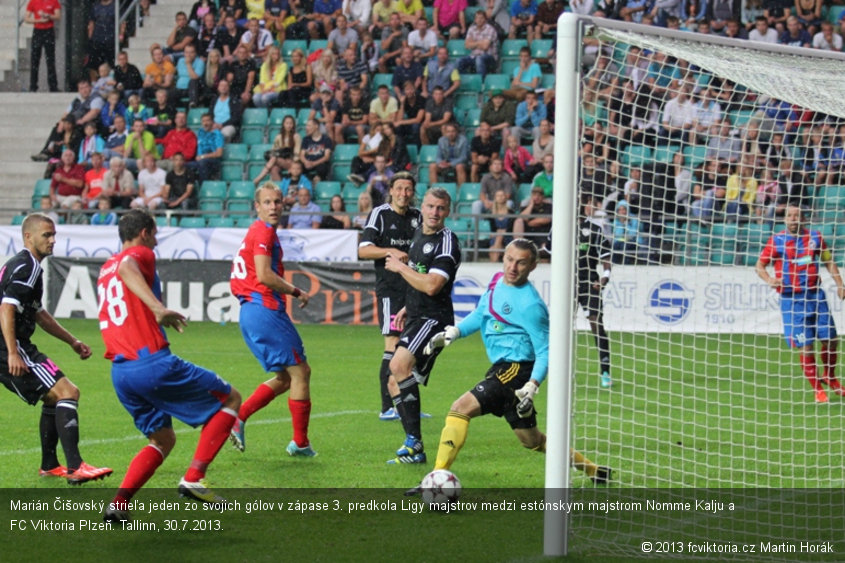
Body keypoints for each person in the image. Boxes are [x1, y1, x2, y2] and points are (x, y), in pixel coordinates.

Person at [405, 239, 611, 491]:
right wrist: (455, 332)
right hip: (503, 369)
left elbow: (545, 352)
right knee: (532, 441)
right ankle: (595, 470)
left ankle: (436, 478)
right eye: (510, 259)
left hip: (516, 370)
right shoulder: (495, 282)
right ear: (503, 257)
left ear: (533, 266)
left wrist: (532, 385)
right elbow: (482, 313)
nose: (513, 267)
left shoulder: (531, 306)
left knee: (459, 409)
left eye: (521, 262)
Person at [99, 210, 241, 523]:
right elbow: (128, 266)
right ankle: (194, 478)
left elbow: (121, 271)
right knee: (231, 399)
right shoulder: (138, 254)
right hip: (150, 363)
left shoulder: (104, 268)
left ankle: (119, 505)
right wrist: (158, 308)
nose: (157, 240)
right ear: (146, 232)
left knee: (163, 439)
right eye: (156, 234)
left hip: (121, 373)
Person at [0, 214, 112, 483]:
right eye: (46, 235)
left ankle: (50, 464)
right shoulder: (28, 266)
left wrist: (72, 341)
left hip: (14, 344)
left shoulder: (25, 265)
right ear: (28, 237)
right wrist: (13, 351)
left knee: (54, 396)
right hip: (9, 346)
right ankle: (76, 467)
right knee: (67, 392)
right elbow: (6, 307)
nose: (52, 241)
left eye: (54, 235)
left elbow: (38, 313)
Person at [229, 183, 316, 456]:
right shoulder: (264, 231)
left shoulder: (257, 230)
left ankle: (238, 418)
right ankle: (300, 443)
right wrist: (296, 291)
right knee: (300, 372)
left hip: (252, 311)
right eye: (267, 202)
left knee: (286, 376)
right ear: (257, 207)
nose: (273, 207)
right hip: (264, 308)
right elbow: (265, 275)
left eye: (277, 202)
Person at [382, 186, 462, 463]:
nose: (434, 213)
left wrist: (400, 267)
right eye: (430, 206)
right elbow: (420, 277)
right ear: (423, 207)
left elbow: (432, 285)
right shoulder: (419, 234)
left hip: (433, 319)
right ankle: (414, 447)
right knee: (396, 383)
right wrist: (407, 306)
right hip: (417, 316)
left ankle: (414, 443)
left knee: (397, 366)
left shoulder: (447, 241)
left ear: (447, 211)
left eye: (440, 208)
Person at [755, 204, 845, 403]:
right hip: (792, 301)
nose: (793, 219)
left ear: (802, 218)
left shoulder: (815, 237)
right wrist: (770, 279)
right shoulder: (777, 240)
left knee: (832, 340)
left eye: (797, 215)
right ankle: (817, 390)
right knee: (806, 345)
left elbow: (828, 260)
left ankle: (830, 377)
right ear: (785, 219)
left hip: (816, 296)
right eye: (790, 216)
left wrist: (840, 284)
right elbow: (759, 265)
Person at [358, 172, 422, 420]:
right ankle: (387, 407)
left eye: (408, 189)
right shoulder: (380, 214)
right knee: (393, 345)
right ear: (392, 191)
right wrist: (391, 251)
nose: (404, 194)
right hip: (391, 290)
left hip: (414, 288)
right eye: (400, 189)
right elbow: (364, 250)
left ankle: (407, 403)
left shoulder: (417, 217)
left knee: (412, 347)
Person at [26, 0, 60, 92]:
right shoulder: (33, 2)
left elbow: (58, 16)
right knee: (35, 59)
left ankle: (53, 87)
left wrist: (48, 16)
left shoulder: (53, 1)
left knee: (50, 59)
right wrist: (38, 20)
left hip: (49, 31)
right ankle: (33, 86)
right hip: (38, 31)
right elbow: (27, 18)